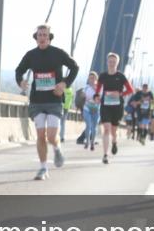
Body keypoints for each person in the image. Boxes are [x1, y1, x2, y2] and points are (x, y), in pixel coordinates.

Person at [15, 24, 80, 180]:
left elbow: (75, 67)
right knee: (40, 135)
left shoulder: (58, 53)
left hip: (54, 100)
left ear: (49, 37)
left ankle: (57, 148)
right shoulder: (31, 55)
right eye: (39, 35)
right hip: (37, 101)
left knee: (51, 136)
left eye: (45, 35)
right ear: (36, 38)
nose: (42, 38)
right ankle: (43, 168)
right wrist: (21, 82)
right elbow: (19, 70)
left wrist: (64, 83)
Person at [97, 53, 135, 164]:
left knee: (113, 131)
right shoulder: (103, 76)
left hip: (117, 107)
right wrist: (96, 96)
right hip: (105, 106)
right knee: (107, 129)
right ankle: (105, 154)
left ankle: (114, 142)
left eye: (114, 62)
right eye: (110, 61)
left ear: (117, 63)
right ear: (107, 62)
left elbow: (130, 90)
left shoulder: (121, 76)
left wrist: (120, 94)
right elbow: (98, 89)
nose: (112, 63)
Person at [82, 71, 100, 151]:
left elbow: (102, 98)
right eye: (90, 78)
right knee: (88, 125)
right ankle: (87, 142)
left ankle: (92, 142)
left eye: (93, 78)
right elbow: (82, 95)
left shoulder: (100, 88)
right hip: (87, 108)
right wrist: (83, 96)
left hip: (96, 109)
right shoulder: (86, 87)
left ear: (96, 79)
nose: (91, 79)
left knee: (94, 127)